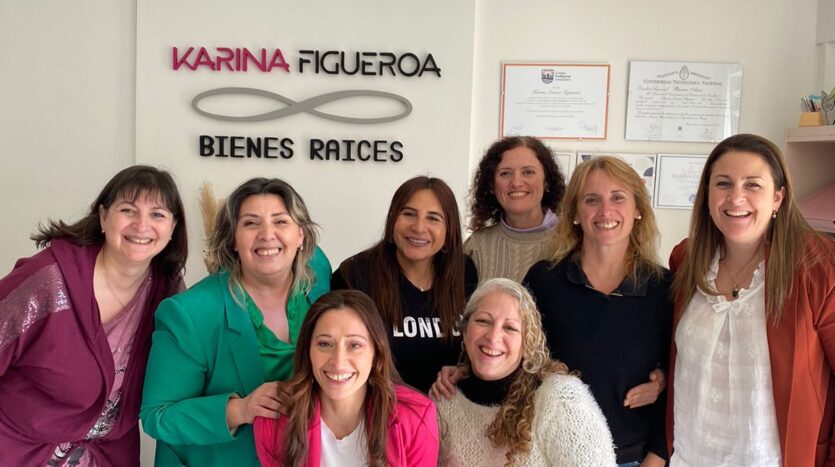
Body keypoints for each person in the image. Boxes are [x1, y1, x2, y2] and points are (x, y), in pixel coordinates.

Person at [0, 165, 188, 466]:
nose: (142, 225)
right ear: (103, 217)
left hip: (107, 455)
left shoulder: (169, 294)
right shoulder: (47, 281)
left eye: (157, 214)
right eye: (128, 210)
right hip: (19, 450)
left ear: (173, 228)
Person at [667, 134, 835, 467]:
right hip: (689, 456)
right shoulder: (686, 260)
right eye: (723, 183)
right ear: (707, 195)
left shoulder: (819, 268)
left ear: (778, 198)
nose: (736, 197)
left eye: (753, 185)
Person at [140, 177, 331, 467]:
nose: (267, 235)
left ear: (301, 235)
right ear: (233, 239)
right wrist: (239, 410)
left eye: (280, 221)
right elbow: (157, 416)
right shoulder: (189, 313)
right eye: (251, 223)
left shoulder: (317, 275)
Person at [521, 156, 671, 466]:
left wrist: (655, 459)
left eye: (618, 198)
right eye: (591, 200)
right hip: (555, 456)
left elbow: (682, 385)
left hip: (635, 459)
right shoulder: (544, 281)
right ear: (575, 213)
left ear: (638, 209)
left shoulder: (664, 288)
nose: (605, 211)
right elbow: (516, 363)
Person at [434, 278, 616, 466]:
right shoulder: (444, 401)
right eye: (483, 321)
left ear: (527, 343)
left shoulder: (560, 399)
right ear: (465, 332)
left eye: (510, 328)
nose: (493, 337)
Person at [254, 289, 439, 466]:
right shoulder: (274, 421)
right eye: (325, 344)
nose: (338, 362)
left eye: (355, 345)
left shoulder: (416, 417)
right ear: (307, 351)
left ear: (376, 353)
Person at [331, 176, 477, 393]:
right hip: (380, 405)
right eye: (409, 214)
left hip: (449, 406)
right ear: (393, 219)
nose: (419, 227)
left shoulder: (464, 272)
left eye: (433, 218)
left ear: (449, 230)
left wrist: (464, 369)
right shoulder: (355, 275)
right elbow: (338, 351)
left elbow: (477, 343)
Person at [464, 136, 566, 282]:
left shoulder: (572, 242)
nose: (516, 183)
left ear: (546, 181)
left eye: (528, 172)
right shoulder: (476, 246)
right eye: (505, 173)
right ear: (492, 185)